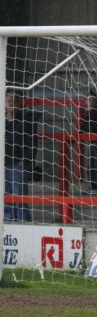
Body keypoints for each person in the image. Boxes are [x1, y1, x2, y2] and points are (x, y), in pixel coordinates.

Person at [4, 89, 40, 222]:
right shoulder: (3, 121)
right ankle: (7, 222)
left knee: (19, 196)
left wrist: (25, 160)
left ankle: (23, 223)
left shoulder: (25, 120)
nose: (11, 101)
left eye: (13, 99)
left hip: (18, 163)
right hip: (4, 163)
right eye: (8, 99)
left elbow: (32, 142)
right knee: (6, 196)